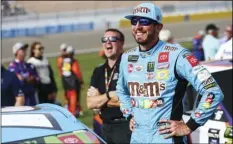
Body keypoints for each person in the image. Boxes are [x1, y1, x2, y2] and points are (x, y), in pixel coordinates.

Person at [116, 3, 224, 143]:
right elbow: (121, 90)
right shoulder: (127, 58)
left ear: (158, 27)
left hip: (167, 138)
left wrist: (190, 125)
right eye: (134, 21)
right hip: (138, 138)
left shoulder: (178, 55)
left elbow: (213, 91)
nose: (138, 27)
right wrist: (129, 114)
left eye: (144, 21)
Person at [86, 28, 131, 143]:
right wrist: (109, 95)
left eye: (113, 39)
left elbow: (129, 101)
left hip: (126, 126)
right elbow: (90, 103)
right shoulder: (99, 71)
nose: (108, 42)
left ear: (121, 43)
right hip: (105, 127)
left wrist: (100, 99)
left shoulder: (130, 67)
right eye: (105, 40)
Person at [58, 45, 84, 116]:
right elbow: (77, 72)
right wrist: (81, 81)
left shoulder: (63, 61)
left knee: (68, 96)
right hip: (72, 81)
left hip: (65, 81)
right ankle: (73, 111)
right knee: (74, 96)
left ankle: (70, 110)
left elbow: (61, 71)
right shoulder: (73, 61)